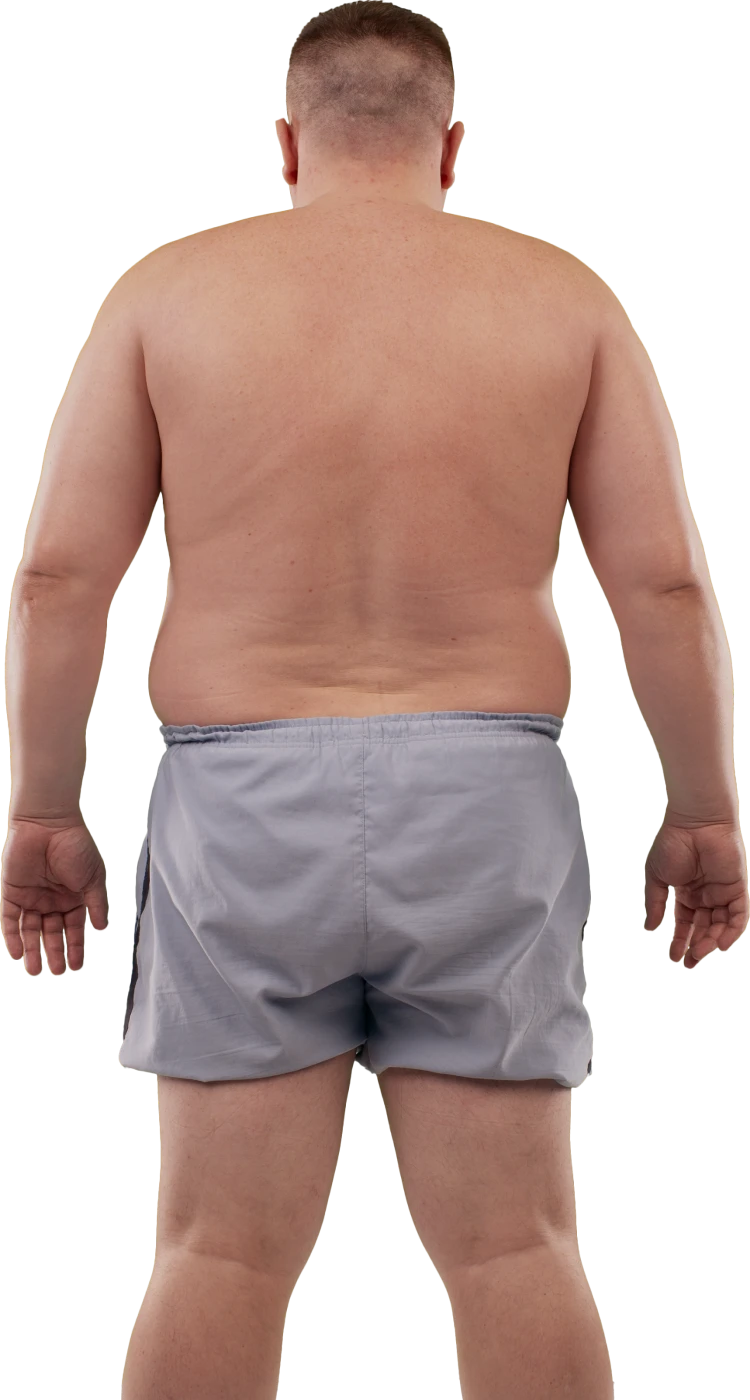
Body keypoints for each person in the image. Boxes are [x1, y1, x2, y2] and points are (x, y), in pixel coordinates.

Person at [1, 5, 746, 1398]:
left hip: (241, 797)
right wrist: (702, 810)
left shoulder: (167, 290)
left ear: (286, 142)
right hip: (486, 796)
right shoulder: (563, 295)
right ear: (451, 147)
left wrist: (44, 807)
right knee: (517, 1248)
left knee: (219, 1254)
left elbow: (56, 581)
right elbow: (662, 587)